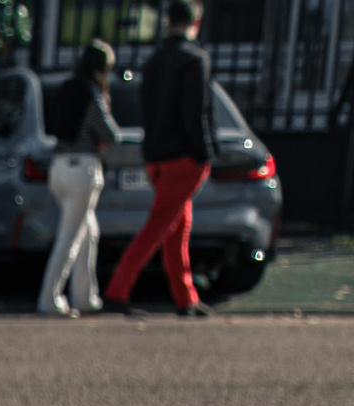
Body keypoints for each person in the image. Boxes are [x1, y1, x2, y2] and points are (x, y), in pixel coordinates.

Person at [106, 0, 219, 316]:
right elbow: (196, 111)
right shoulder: (195, 59)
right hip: (183, 156)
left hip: (155, 155)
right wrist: (204, 153)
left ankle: (186, 297)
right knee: (160, 225)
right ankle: (118, 291)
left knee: (177, 224)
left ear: (168, 22)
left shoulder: (154, 61)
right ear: (195, 23)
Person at [37, 40, 120, 318]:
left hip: (58, 167)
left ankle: (85, 296)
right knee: (70, 238)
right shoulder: (91, 94)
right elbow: (109, 134)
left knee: (88, 233)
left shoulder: (67, 88)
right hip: (81, 169)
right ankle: (49, 298)